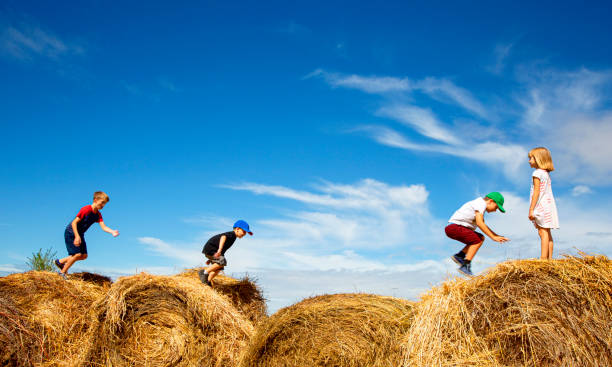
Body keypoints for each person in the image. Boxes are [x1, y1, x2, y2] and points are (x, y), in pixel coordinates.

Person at [54, 191, 119, 279]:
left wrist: (112, 231)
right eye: (102, 203)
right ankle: (62, 273)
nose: (103, 205)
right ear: (95, 200)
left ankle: (60, 262)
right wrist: (76, 236)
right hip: (71, 232)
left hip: (80, 234)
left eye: (105, 204)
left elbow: (103, 227)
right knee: (77, 254)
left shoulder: (98, 214)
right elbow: (74, 223)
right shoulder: (86, 209)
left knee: (84, 255)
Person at [445, 192, 509, 276]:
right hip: (454, 228)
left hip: (454, 228)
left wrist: (496, 235)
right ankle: (465, 265)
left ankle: (460, 256)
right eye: (496, 207)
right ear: (490, 201)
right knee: (477, 240)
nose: (495, 210)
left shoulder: (479, 207)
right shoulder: (480, 204)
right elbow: (480, 223)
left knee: (479, 238)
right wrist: (493, 237)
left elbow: (483, 225)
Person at [198, 220, 252, 286]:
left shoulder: (233, 237)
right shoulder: (232, 234)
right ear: (237, 229)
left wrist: (210, 259)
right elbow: (223, 237)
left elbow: (224, 249)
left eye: (245, 232)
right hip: (211, 248)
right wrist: (219, 250)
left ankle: (207, 282)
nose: (244, 234)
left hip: (213, 251)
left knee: (219, 268)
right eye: (243, 231)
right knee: (222, 262)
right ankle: (204, 272)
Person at [528, 147, 559, 259]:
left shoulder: (537, 173)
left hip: (540, 205)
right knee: (547, 232)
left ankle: (543, 259)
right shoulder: (546, 174)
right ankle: (549, 258)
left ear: (539, 159)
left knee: (542, 232)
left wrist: (531, 209)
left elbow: (536, 192)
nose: (529, 160)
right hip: (549, 205)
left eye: (531, 158)